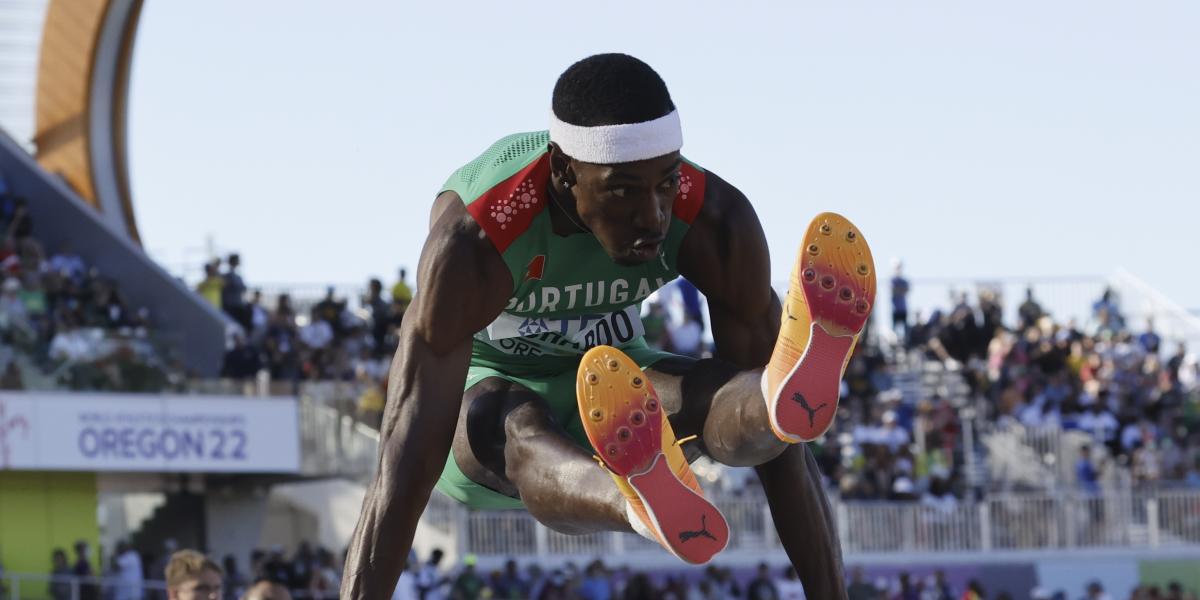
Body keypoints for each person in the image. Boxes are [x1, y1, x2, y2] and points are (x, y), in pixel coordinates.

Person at [343, 53, 876, 600]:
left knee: (720, 393)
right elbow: (402, 462)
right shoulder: (478, 240)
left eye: (665, 183)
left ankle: (766, 394)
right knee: (516, 419)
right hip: (491, 414)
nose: (654, 216)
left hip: (616, 392)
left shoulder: (715, 217)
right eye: (623, 190)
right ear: (563, 173)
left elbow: (786, 454)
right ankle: (634, 497)